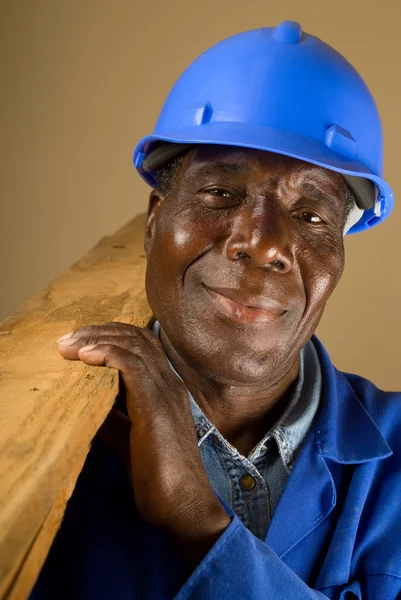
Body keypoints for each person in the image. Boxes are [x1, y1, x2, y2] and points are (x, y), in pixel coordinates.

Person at [30, 20, 400, 600]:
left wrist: (199, 523)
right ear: (154, 222)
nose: (266, 242)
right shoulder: (42, 447)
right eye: (221, 193)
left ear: (337, 258)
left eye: (311, 216)